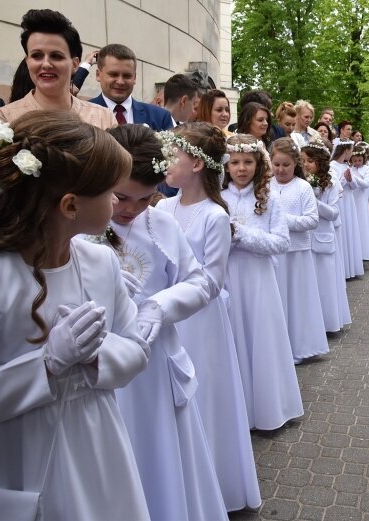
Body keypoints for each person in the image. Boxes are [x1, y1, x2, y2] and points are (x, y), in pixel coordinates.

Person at [0, 111, 150, 520]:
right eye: (110, 193)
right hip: (23, 455)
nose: (117, 202)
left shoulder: (101, 263)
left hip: (100, 444)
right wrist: (47, 365)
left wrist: (97, 355)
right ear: (70, 206)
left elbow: (136, 348)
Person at [102, 124, 229, 520]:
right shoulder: (82, 225)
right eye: (121, 196)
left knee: (159, 452)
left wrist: (161, 305)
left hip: (154, 364)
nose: (130, 209)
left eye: (144, 198)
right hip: (100, 364)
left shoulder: (161, 222)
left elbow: (201, 281)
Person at [157, 123, 261, 511]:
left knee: (205, 396)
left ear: (198, 164)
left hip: (201, 320)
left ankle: (214, 486)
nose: (165, 163)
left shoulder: (214, 216)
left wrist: (168, 299)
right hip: (167, 317)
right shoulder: (162, 208)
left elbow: (213, 279)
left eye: (173, 156)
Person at [222, 134, 304, 430]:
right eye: (235, 162)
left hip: (258, 280)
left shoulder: (269, 200)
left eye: (247, 162)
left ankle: (269, 409)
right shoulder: (219, 199)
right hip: (229, 278)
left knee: (261, 340)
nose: (241, 168)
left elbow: (281, 242)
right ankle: (238, 410)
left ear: (258, 165)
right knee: (234, 340)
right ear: (226, 166)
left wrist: (242, 236)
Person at [0, 9, 115, 129]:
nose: (46, 64)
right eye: (36, 56)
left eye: (56, 56)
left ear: (75, 64)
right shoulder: (5, 119)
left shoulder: (104, 119)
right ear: (27, 62)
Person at [269, 138, 330, 363]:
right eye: (276, 164)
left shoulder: (303, 187)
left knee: (297, 300)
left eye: (286, 164)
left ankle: (301, 347)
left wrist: (282, 220)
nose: (281, 169)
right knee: (278, 300)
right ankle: (279, 347)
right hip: (275, 252)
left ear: (295, 163)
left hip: (298, 252)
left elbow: (312, 220)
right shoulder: (267, 186)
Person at [301, 139, 350, 332]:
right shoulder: (300, 180)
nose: (305, 165)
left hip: (322, 238)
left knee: (324, 283)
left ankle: (327, 322)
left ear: (320, 162)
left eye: (310, 161)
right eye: (303, 160)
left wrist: (314, 203)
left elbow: (333, 213)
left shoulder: (331, 182)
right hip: (305, 239)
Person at [89, 43, 173, 130]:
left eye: (127, 76)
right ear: (98, 75)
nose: (120, 82)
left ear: (135, 78)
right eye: (113, 74)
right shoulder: (82, 114)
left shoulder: (160, 117)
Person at [330, 140, 363, 278]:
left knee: (350, 231)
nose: (351, 153)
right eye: (351, 150)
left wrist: (350, 180)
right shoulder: (332, 166)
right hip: (341, 202)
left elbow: (354, 186)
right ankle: (343, 269)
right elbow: (335, 187)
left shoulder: (345, 165)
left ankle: (351, 267)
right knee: (343, 232)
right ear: (345, 150)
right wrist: (344, 179)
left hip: (349, 201)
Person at [349, 143, 369, 261]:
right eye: (355, 160)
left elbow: (366, 184)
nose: (357, 163)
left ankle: (363, 253)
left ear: (364, 159)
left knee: (361, 225)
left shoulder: (368, 169)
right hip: (352, 199)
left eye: (359, 160)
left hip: (361, 199)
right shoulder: (350, 169)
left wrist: (355, 178)